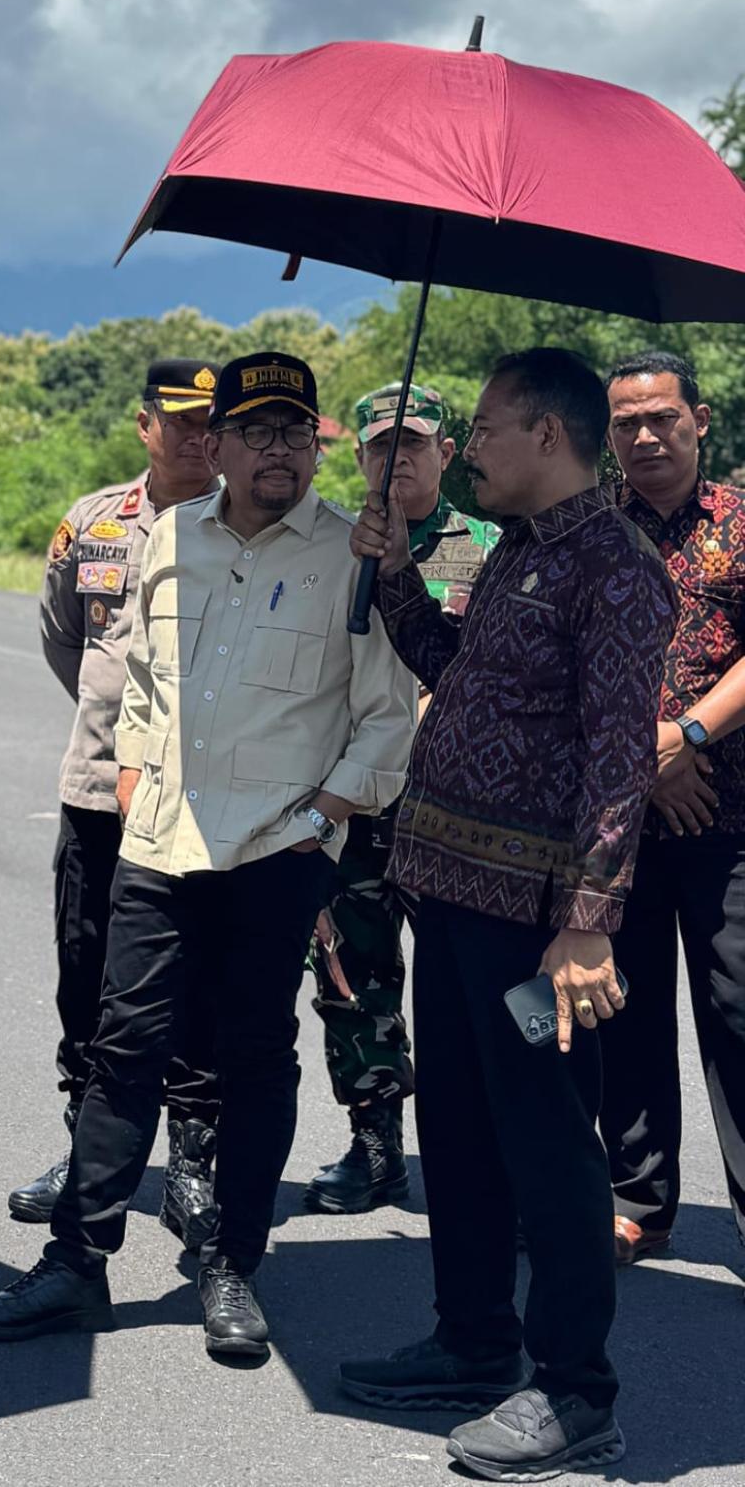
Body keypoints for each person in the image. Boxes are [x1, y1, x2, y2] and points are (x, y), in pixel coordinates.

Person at [0, 351, 416, 1360]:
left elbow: (388, 717)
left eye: (295, 431)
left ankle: (231, 1263)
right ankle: (76, 1262)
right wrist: (132, 775)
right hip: (161, 839)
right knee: (122, 1051)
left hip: (276, 849)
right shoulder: (170, 537)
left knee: (252, 1058)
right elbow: (142, 679)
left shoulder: (354, 556)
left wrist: (323, 819)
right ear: (219, 445)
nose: (277, 450)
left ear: (315, 448)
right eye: (256, 431)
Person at [340, 348, 676, 1482]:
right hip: (449, 901)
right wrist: (394, 576)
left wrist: (588, 920)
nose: (468, 449)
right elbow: (452, 668)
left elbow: (619, 758)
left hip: (536, 930)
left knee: (547, 1148)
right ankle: (472, 1339)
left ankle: (576, 1393)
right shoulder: (517, 553)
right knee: (461, 1133)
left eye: (483, 429)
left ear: (546, 434)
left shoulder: (615, 570)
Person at [8, 358, 224, 1254]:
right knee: (86, 970)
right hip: (100, 790)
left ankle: (193, 1163)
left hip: (202, 801)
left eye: (210, 420)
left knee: (197, 984)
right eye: (180, 420)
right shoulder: (93, 524)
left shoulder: (246, 524)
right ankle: (85, 1150)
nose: (197, 435)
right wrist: (119, 736)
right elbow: (66, 641)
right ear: (145, 426)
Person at [307, 382, 499, 1214]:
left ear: (446, 453)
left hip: (453, 810)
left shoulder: (490, 545)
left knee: (478, 983)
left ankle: (495, 1154)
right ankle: (375, 1143)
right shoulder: (327, 545)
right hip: (353, 804)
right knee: (351, 978)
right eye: (382, 446)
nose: (397, 460)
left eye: (413, 444)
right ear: (359, 457)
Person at [599, 350, 745, 1265]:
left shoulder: (740, 521)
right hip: (614, 830)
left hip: (731, 823)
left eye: (662, 417)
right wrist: (645, 759)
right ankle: (637, 1202)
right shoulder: (586, 530)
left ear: (699, 420)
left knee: (738, 1015)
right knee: (625, 1014)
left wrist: (683, 736)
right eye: (626, 423)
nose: (646, 435)